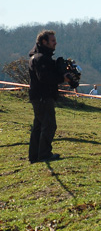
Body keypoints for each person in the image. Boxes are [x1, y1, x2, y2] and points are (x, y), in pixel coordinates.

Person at [28, 30, 70, 163]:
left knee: (39, 126)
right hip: (43, 97)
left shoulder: (40, 57)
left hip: (40, 96)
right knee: (49, 125)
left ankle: (35, 156)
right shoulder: (40, 58)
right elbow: (44, 78)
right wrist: (61, 78)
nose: (55, 43)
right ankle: (44, 154)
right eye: (52, 41)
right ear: (44, 42)